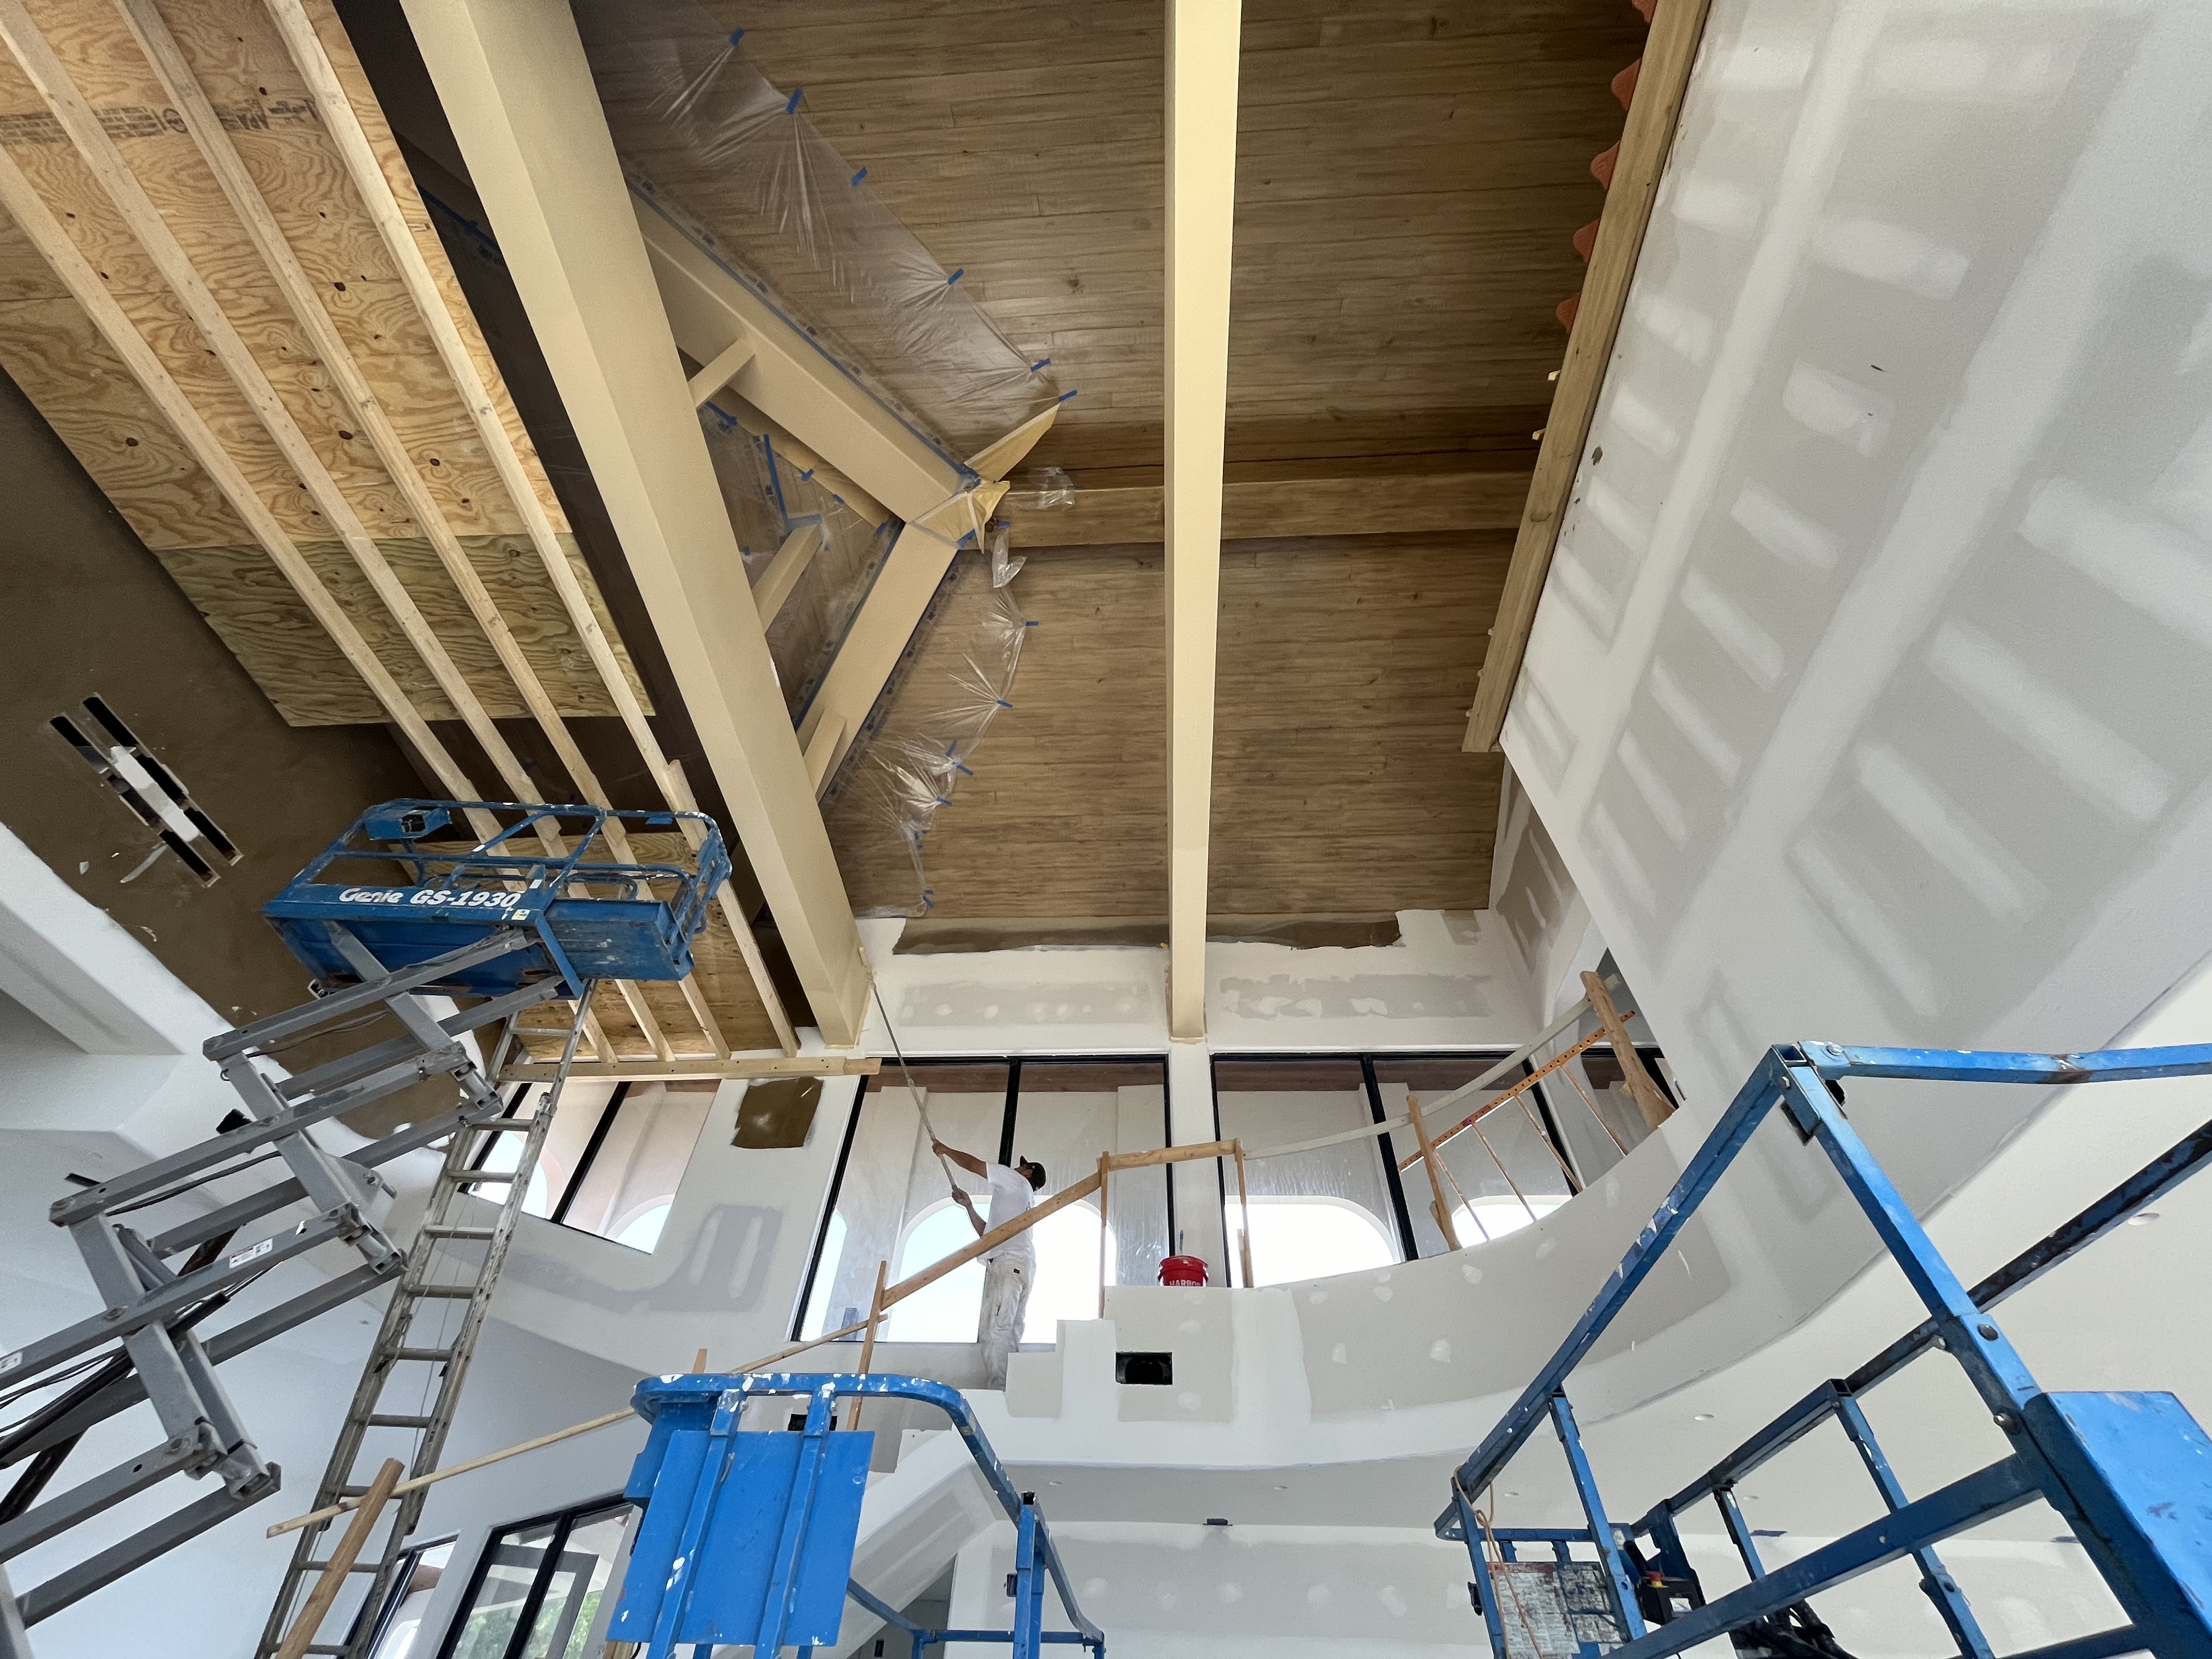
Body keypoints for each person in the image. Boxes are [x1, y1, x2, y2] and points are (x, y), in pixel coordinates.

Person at [931, 1137, 1047, 1390]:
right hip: (1020, 1265)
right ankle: (1009, 1387)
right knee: (1010, 1328)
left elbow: (974, 1165)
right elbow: (988, 1236)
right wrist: (969, 1206)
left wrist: (946, 1150)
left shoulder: (1016, 1181)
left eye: (1022, 1167)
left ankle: (999, 1390)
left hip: (1008, 1264)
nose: (1017, 1168)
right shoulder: (1020, 1200)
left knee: (997, 1328)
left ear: (1029, 1172)